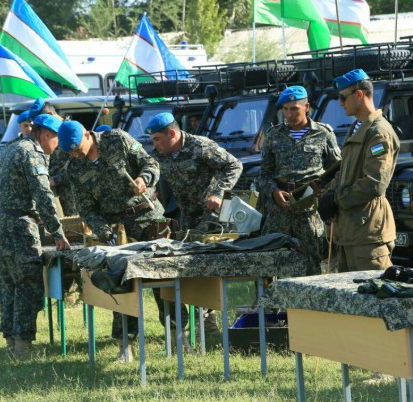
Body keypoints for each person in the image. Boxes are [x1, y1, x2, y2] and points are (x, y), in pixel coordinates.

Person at [58, 121, 185, 362]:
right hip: (117, 230)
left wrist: (143, 179)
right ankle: (125, 346)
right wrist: (105, 232)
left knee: (165, 278)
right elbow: (86, 208)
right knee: (122, 285)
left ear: (88, 134)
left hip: (148, 218)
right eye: (70, 152)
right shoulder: (73, 167)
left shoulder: (117, 139)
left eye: (77, 148)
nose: (76, 154)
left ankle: (178, 339)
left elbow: (151, 162)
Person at [147, 112, 242, 335]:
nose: (155, 145)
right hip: (187, 216)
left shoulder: (201, 146)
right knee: (189, 268)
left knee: (204, 266)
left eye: (157, 139)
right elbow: (151, 173)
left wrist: (219, 192)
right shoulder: (159, 155)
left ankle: (207, 324)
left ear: (172, 133)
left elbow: (234, 165)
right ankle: (196, 323)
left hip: (213, 216)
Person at [0, 113, 70, 361]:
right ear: (46, 135)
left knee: (8, 284)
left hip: (0, 223)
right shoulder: (33, 153)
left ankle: (12, 343)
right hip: (19, 228)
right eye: (57, 140)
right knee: (27, 286)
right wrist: (58, 233)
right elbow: (45, 196)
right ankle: (23, 348)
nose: (57, 148)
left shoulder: (12, 148)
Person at [320, 69, 400, 272]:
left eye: (343, 97)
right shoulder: (358, 127)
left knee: (374, 296)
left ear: (359, 94)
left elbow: (374, 183)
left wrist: (336, 198)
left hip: (368, 230)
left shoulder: (378, 132)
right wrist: (328, 195)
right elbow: (346, 170)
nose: (340, 103)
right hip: (350, 228)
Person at [258, 86, 341, 275]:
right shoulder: (273, 135)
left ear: (306, 107)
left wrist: (327, 198)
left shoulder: (323, 133)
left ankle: (312, 305)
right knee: (273, 263)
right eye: (285, 109)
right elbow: (264, 174)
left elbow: (337, 171)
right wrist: (273, 191)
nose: (289, 114)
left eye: (294, 108)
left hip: (310, 210)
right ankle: (275, 305)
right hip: (280, 210)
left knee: (313, 262)